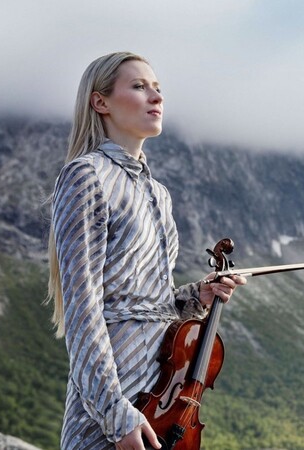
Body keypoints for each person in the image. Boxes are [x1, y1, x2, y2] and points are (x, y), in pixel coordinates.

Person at [46, 51, 246, 450]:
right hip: (114, 388)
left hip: (160, 388)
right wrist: (115, 413)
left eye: (158, 88)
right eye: (139, 87)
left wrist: (197, 296)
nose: (156, 97)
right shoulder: (86, 175)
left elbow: (153, 301)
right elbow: (83, 308)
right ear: (100, 102)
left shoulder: (159, 194)